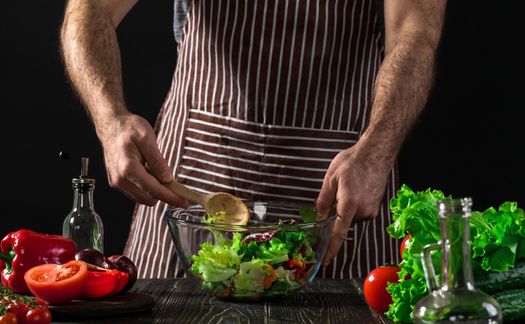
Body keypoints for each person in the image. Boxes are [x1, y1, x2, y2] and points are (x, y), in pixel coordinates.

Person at [60, 0, 447, 279]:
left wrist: (376, 152)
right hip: (199, 164)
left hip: (340, 175)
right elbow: (90, 9)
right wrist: (111, 122)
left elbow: (415, 34)